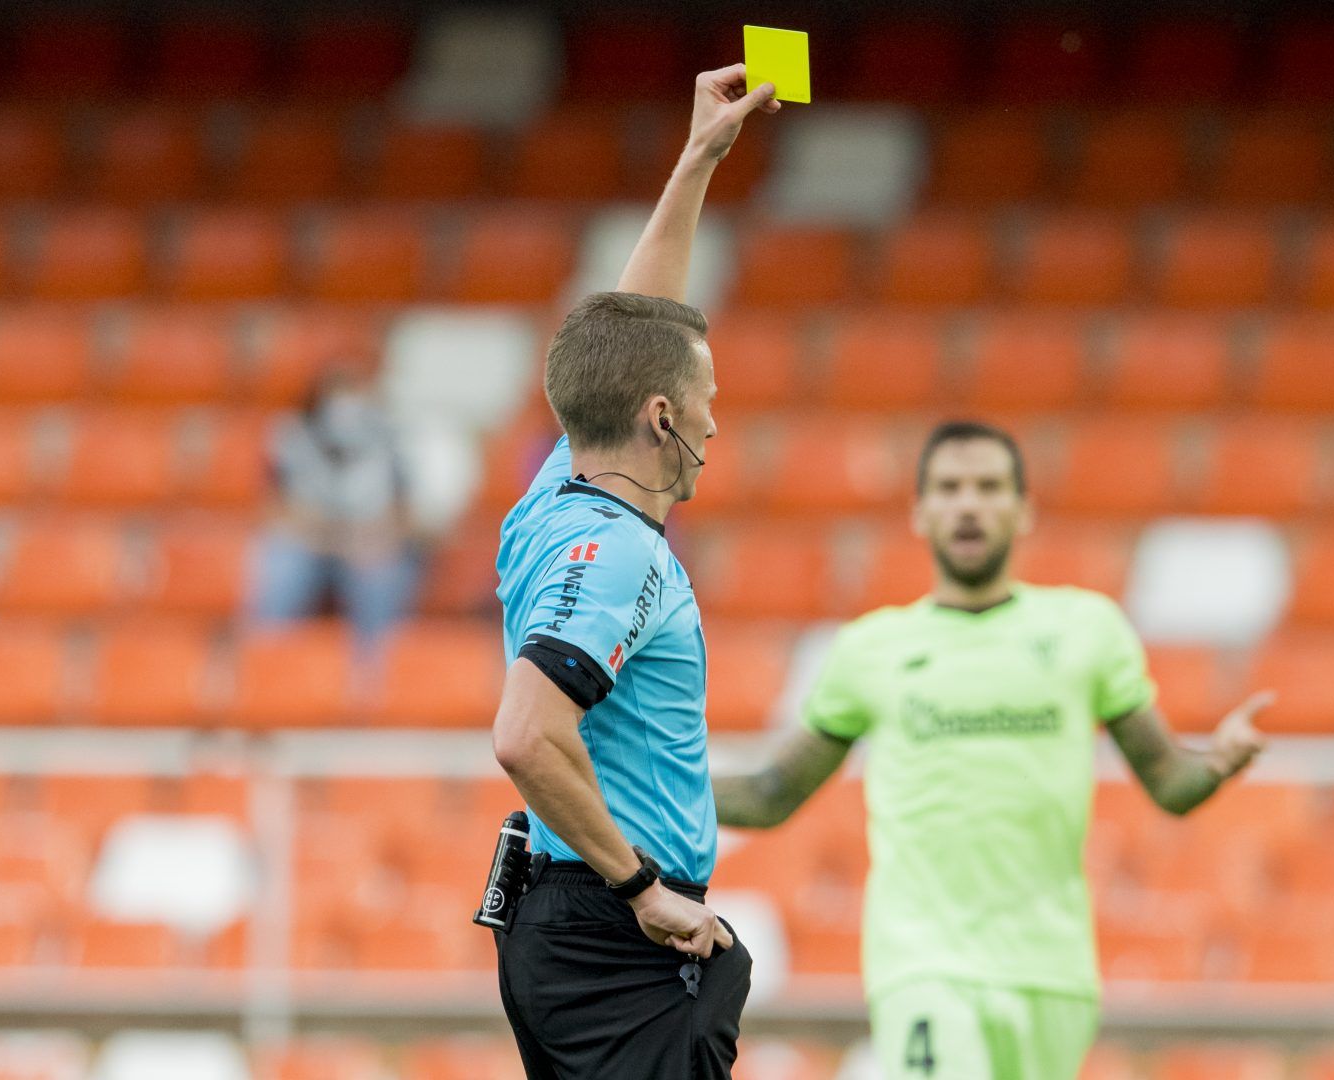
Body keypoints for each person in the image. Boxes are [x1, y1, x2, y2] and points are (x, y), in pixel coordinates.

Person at [712, 421, 1272, 1080]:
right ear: (920, 512)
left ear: (1023, 508)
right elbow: (771, 794)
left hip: (1052, 973)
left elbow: (1170, 783)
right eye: (949, 488)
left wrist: (1216, 764)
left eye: (989, 487)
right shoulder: (873, 649)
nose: (969, 504)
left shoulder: (1085, 632)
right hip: (925, 964)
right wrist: (635, 783)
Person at [487, 66, 778, 1079]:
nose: (713, 420)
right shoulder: (613, 551)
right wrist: (641, 886)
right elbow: (527, 734)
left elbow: (633, 332)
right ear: (663, 419)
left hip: (578, 924)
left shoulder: (559, 488)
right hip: (609, 933)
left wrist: (699, 159)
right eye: (706, 399)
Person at [247, 362, 417, 643]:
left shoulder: (390, 437)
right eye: (338, 393)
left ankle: (374, 670)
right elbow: (273, 508)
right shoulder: (290, 435)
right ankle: (265, 657)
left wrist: (378, 536)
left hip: (365, 541)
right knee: (282, 564)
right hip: (308, 540)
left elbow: (405, 512)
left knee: (382, 573)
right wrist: (317, 531)